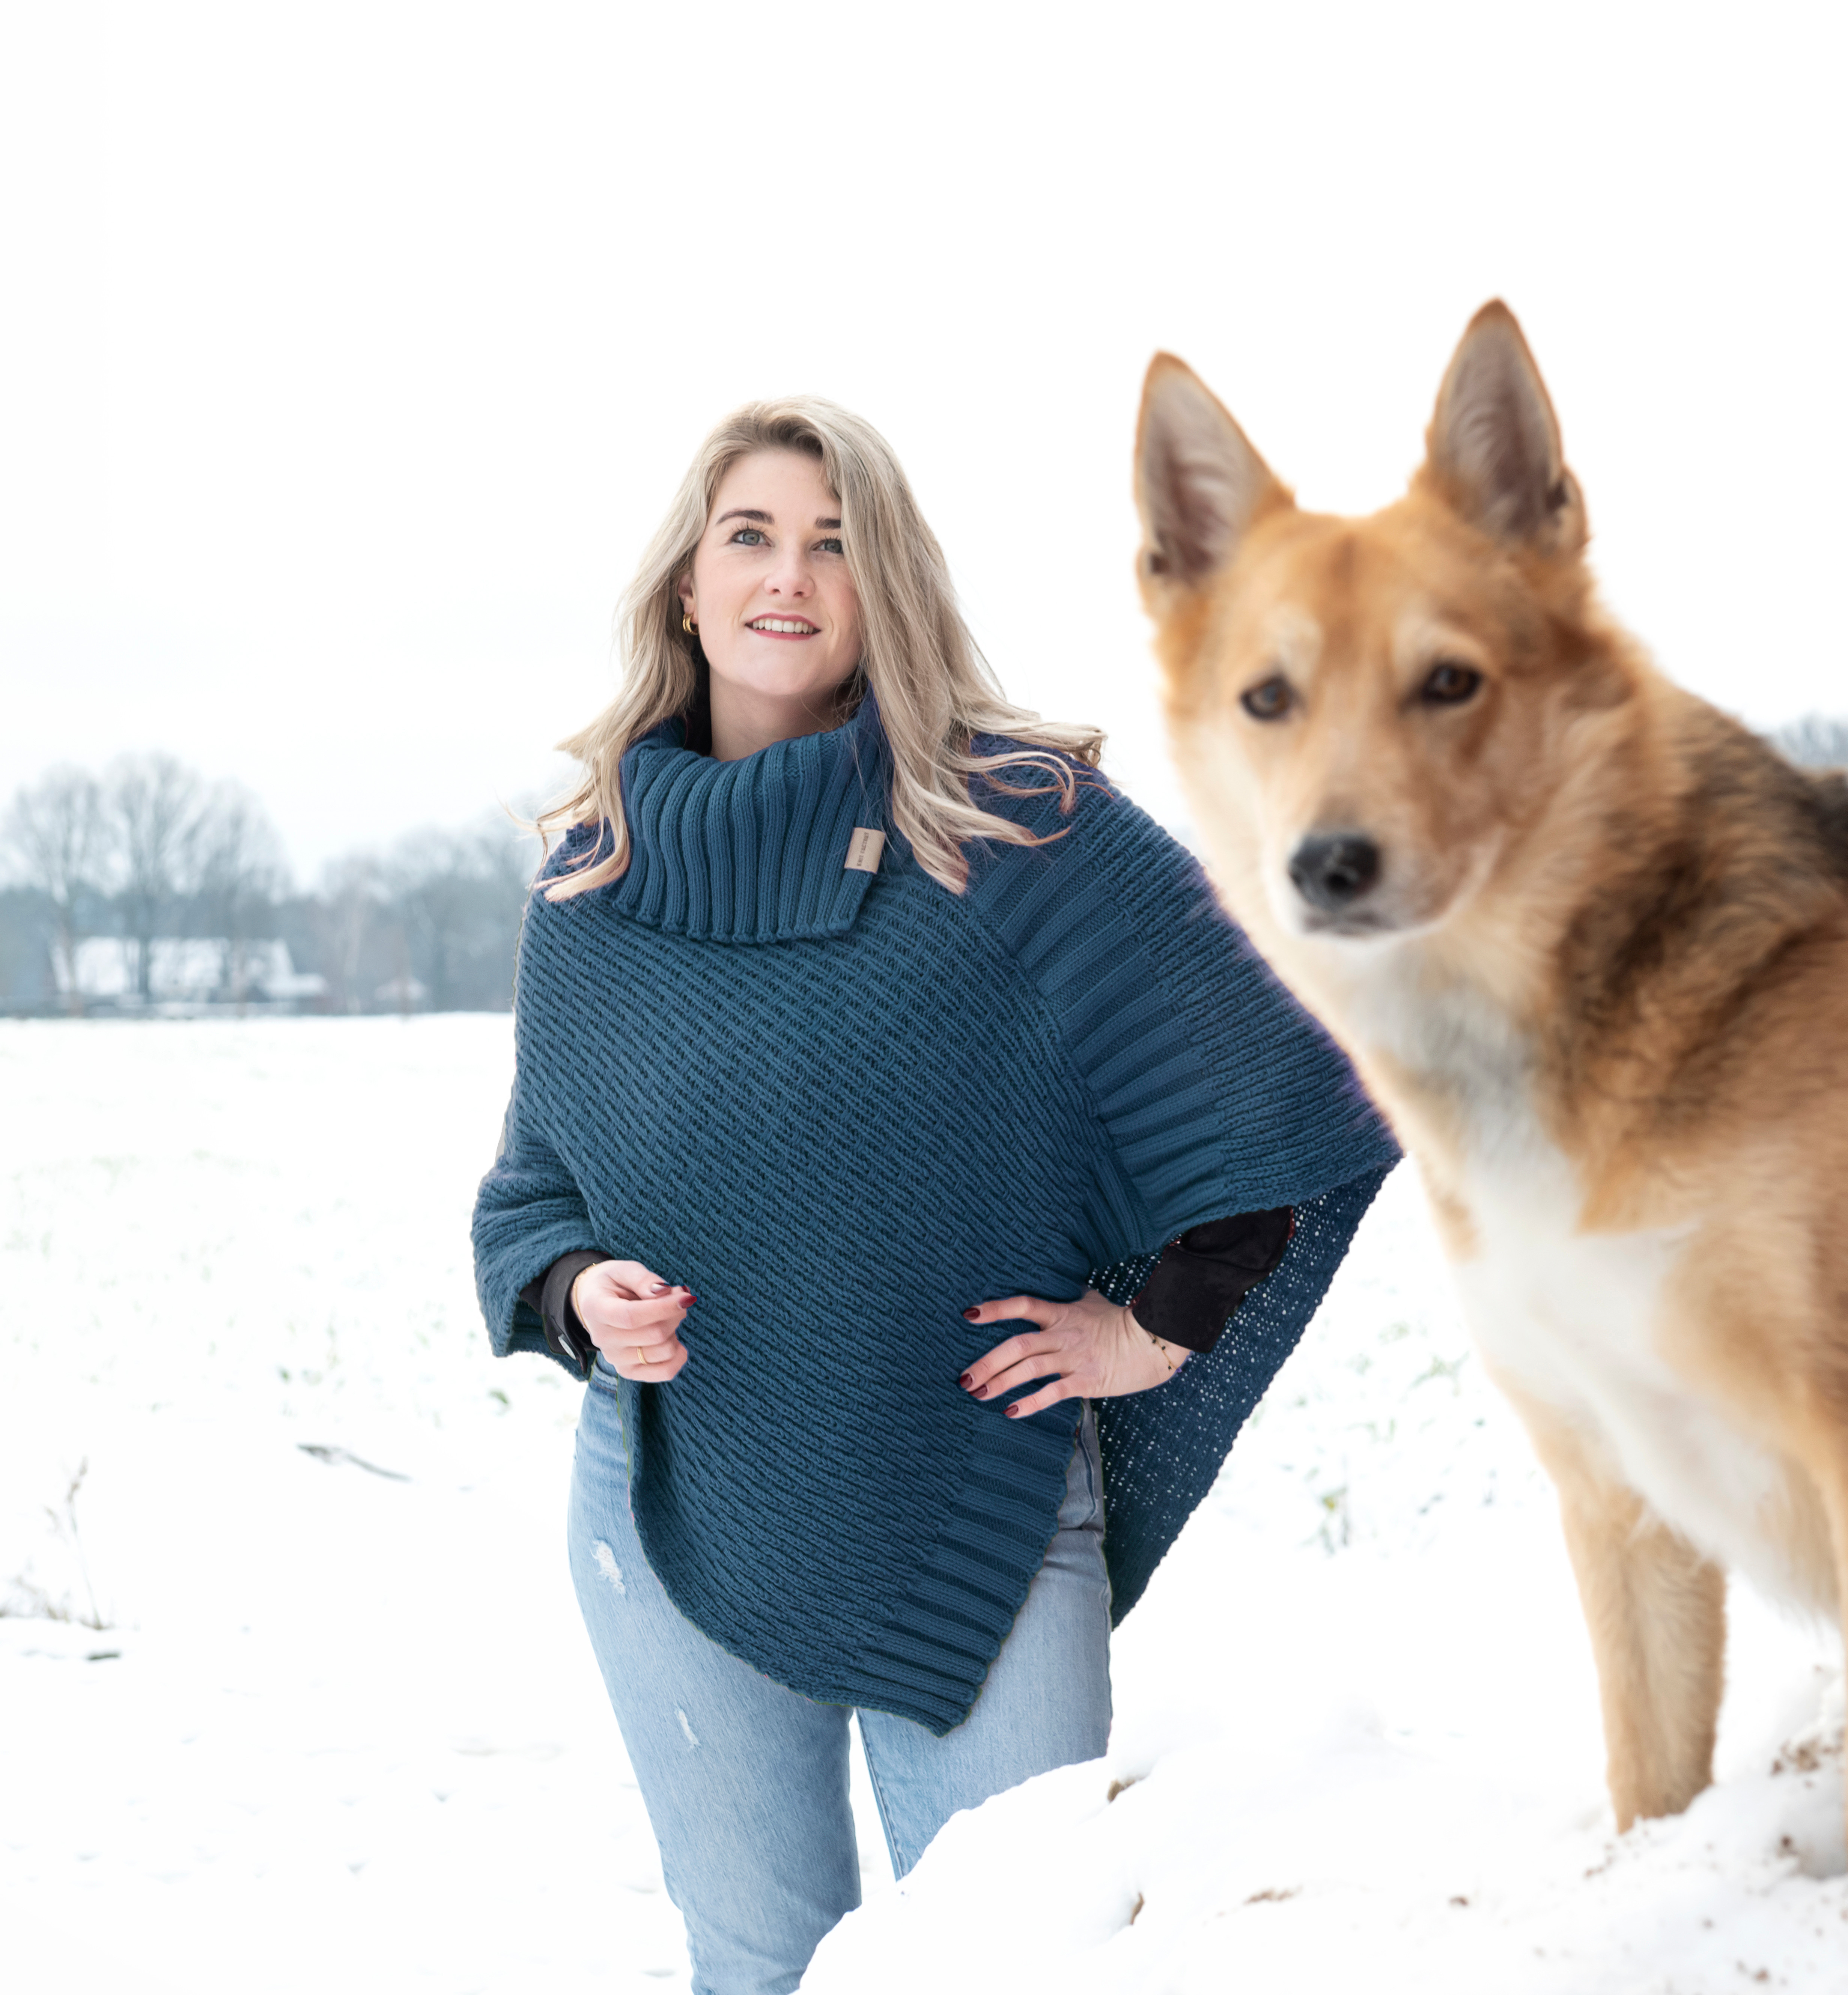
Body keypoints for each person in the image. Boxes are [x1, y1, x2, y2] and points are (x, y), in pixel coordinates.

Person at [471, 398, 1397, 1995]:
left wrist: (1155, 1329)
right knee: (760, 1965)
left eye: (836, 543)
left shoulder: (1012, 825)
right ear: (686, 588)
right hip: (674, 1495)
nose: (788, 574)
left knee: (1026, 1964)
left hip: (979, 1501)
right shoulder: (596, 878)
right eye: (749, 536)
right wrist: (577, 1296)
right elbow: (534, 1192)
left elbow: (1278, 1083)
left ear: (884, 585)